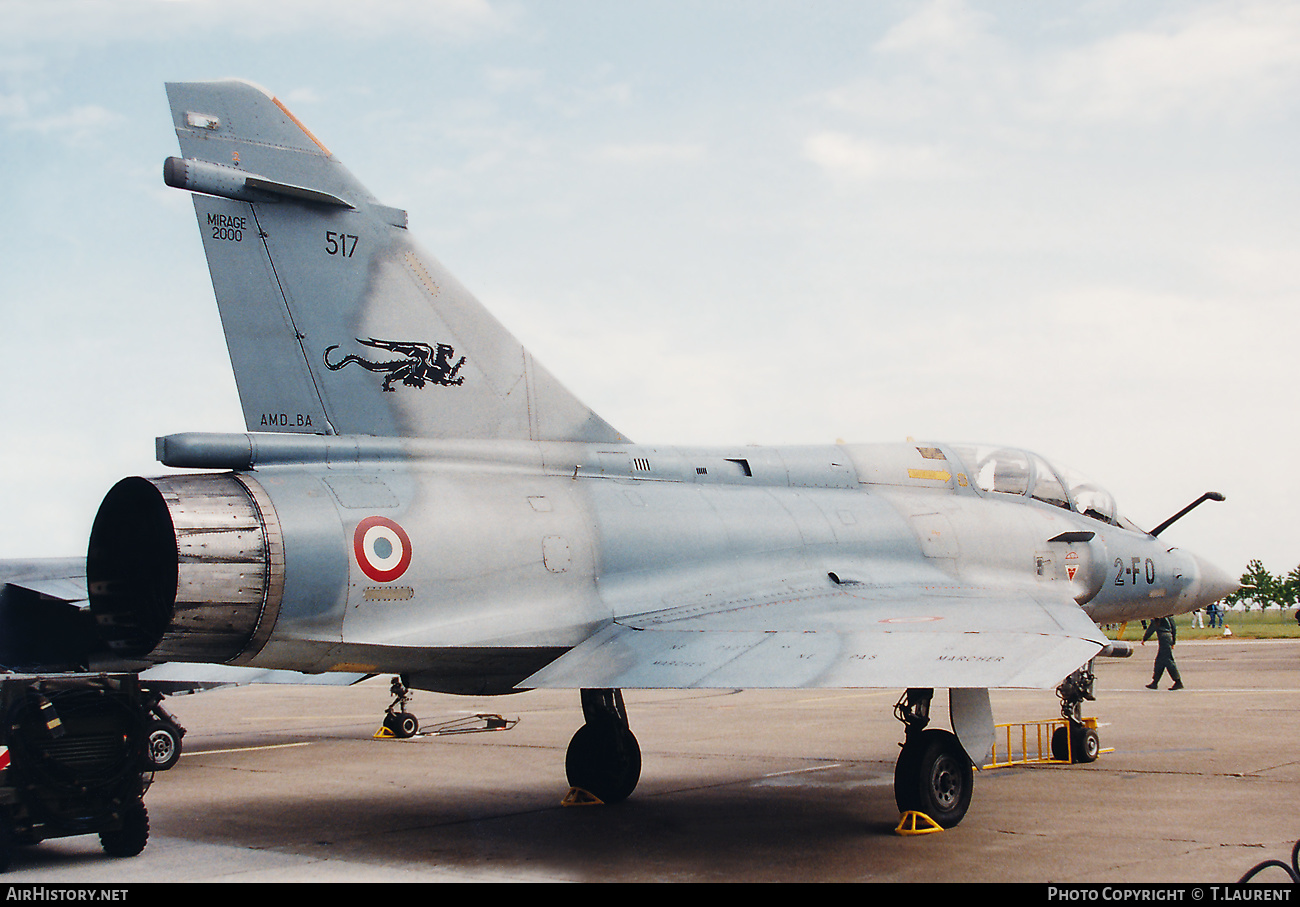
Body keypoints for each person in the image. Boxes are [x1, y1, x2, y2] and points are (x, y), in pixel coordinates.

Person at [1142, 616, 1183, 690]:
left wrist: (1145, 638)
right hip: (1168, 637)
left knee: (1168, 660)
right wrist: (1173, 641)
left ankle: (1178, 681)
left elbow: (1152, 627)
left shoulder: (1159, 615)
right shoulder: (1168, 615)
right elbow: (1173, 627)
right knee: (1160, 661)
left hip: (1163, 638)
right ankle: (1155, 682)